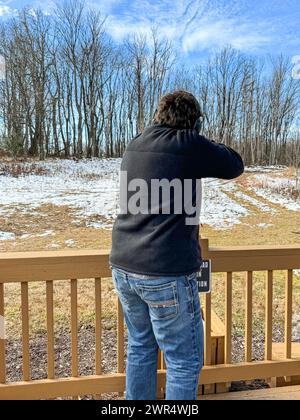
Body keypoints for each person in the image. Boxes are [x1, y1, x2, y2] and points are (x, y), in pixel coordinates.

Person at [109, 91, 244, 400]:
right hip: (165, 271)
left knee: (141, 345)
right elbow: (235, 164)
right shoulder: (188, 144)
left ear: (159, 115)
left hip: (124, 266)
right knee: (183, 360)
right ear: (193, 122)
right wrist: (199, 137)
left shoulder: (135, 144)